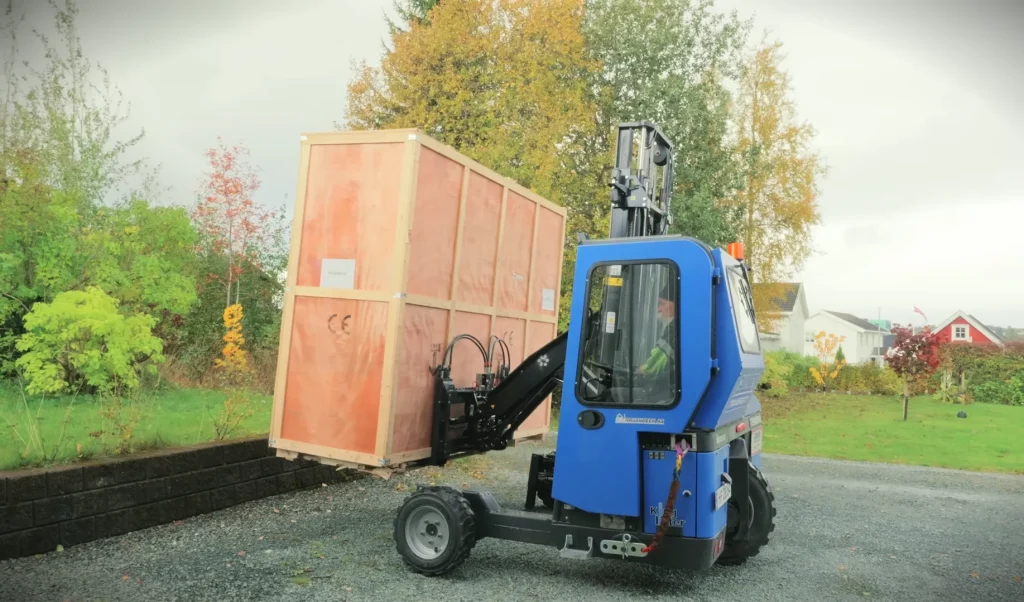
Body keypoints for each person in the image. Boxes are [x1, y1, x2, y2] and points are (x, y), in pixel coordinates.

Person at [638, 283, 676, 382]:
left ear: (676, 305)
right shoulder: (677, 327)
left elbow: (652, 368)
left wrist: (643, 370)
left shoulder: (673, 332)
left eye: (662, 304)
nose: (659, 309)